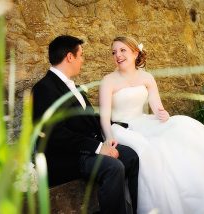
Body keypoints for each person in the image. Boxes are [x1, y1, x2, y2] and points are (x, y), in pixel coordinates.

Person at [99, 36, 204, 214]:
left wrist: (162, 113)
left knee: (186, 126)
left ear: (135, 52)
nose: (118, 55)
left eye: (122, 50)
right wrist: (109, 137)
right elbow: (104, 117)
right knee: (150, 148)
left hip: (144, 121)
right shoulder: (108, 81)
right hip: (121, 128)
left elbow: (156, 105)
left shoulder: (146, 77)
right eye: (114, 52)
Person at [32, 35, 139, 214]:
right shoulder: (44, 89)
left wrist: (115, 129)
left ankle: (134, 209)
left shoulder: (76, 87)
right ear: (69, 57)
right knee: (113, 167)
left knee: (131, 156)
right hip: (66, 158)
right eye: (81, 55)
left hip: (86, 148)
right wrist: (98, 147)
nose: (83, 60)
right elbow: (54, 134)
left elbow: (88, 118)